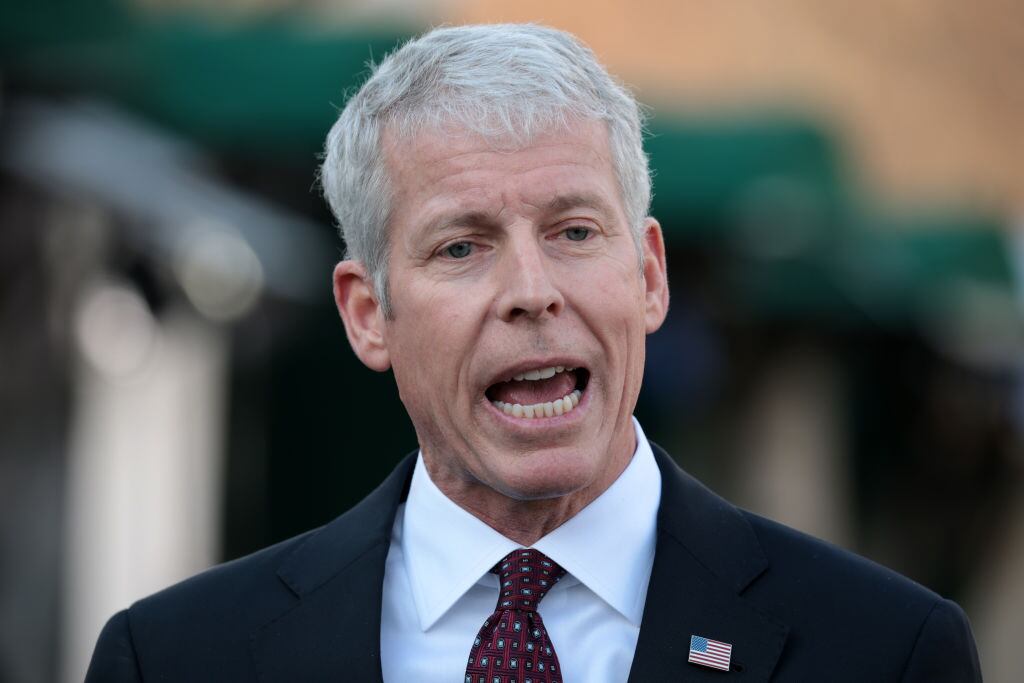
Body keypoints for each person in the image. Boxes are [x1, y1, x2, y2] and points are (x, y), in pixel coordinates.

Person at [86, 23, 982, 682]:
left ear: (649, 275)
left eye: (575, 230)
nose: (532, 288)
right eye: (462, 246)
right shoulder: (173, 658)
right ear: (368, 315)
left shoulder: (886, 652)